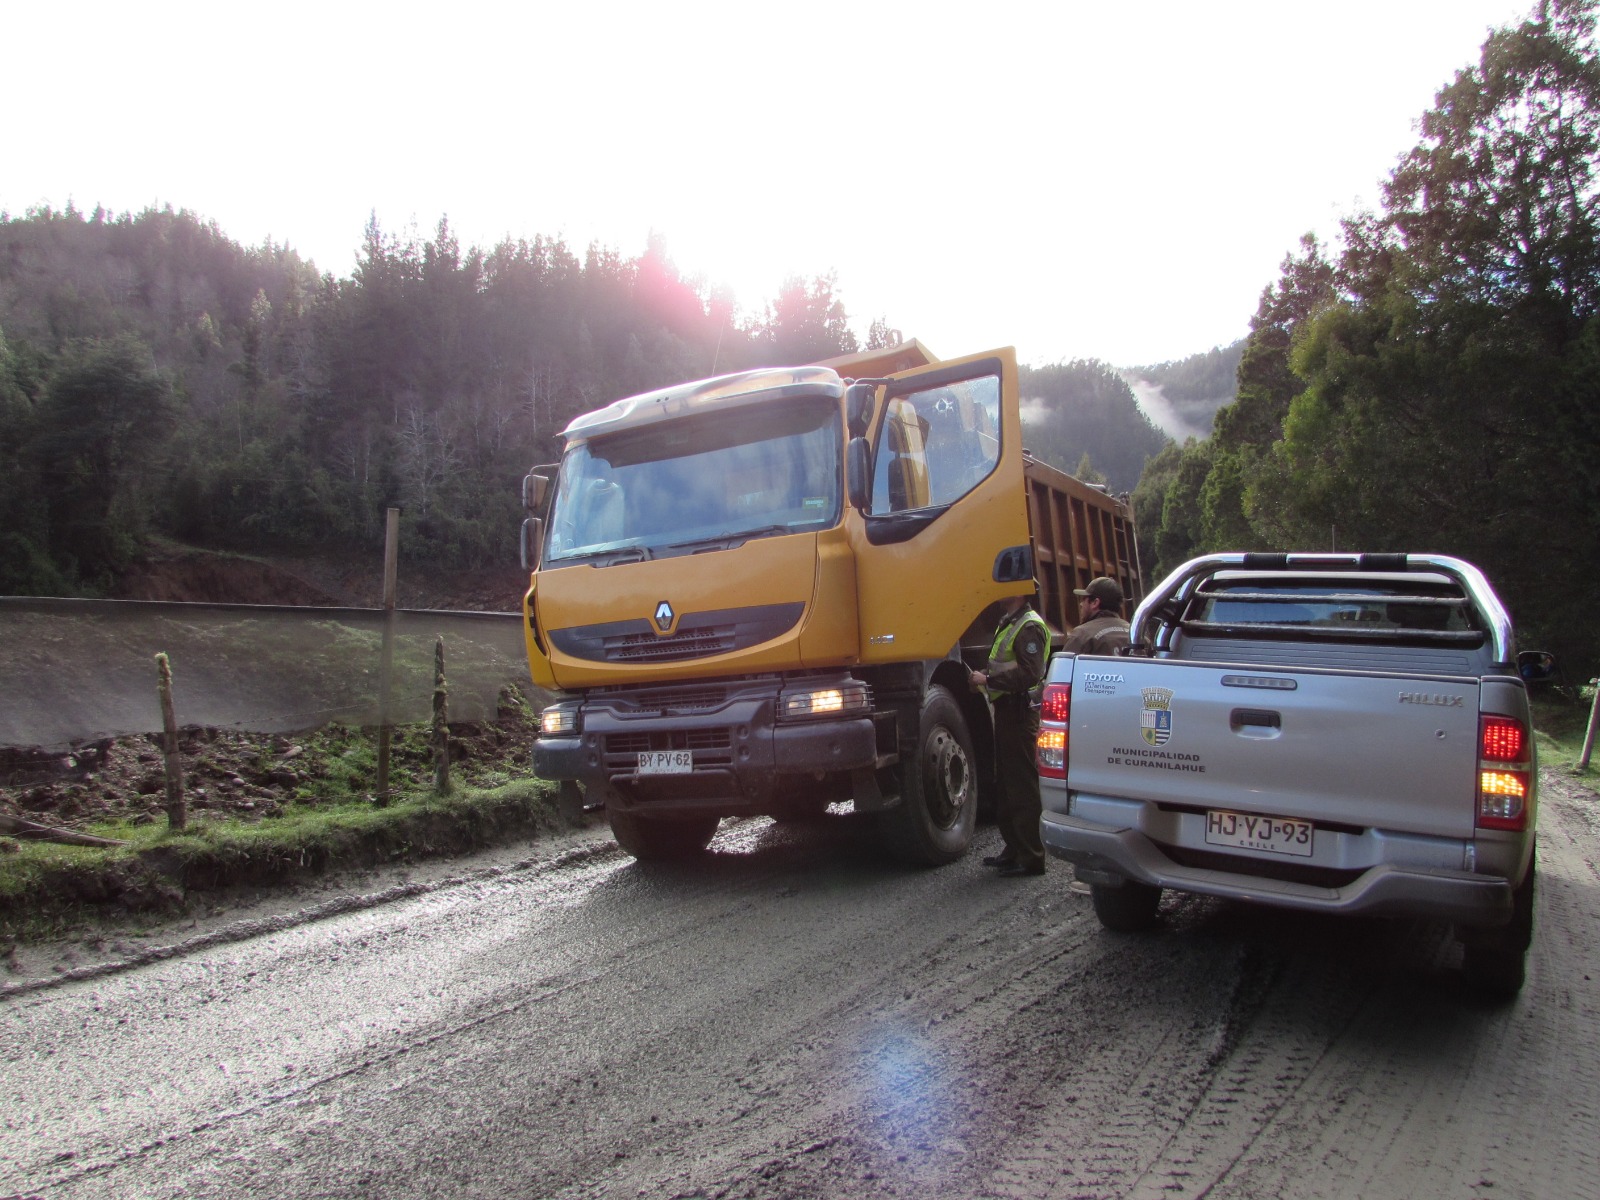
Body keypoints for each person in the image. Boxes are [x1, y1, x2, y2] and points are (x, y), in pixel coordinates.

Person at [969, 592, 1052, 877]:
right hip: (1006, 712)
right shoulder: (1009, 622)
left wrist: (989, 680)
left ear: (1019, 591)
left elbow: (1031, 673)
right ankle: (1015, 849)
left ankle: (1032, 857)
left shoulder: (1028, 626)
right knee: (1005, 785)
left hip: (1018, 714)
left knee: (1022, 787)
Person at [1061, 576, 1131, 656]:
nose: (1081, 604)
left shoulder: (1082, 635)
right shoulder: (1137, 636)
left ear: (1095, 603)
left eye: (1084, 599)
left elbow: (1065, 667)